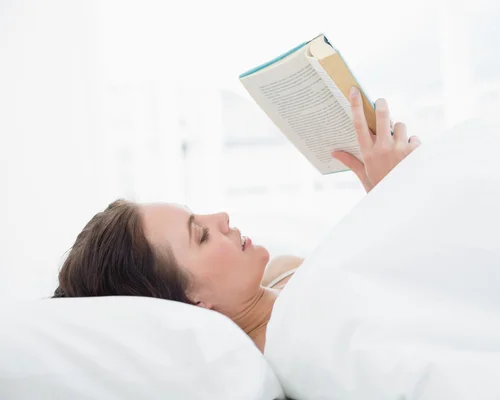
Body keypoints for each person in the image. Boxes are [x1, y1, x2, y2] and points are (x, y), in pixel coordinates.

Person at [53, 87, 421, 352]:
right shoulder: (296, 346)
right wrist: (401, 193)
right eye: (201, 236)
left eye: (198, 216)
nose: (222, 218)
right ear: (194, 302)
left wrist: (384, 194)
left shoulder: (280, 271)